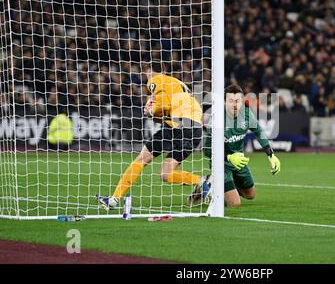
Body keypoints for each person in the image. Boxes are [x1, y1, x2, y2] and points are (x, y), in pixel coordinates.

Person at [96, 61, 209, 210]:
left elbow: (162, 105)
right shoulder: (178, 83)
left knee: (141, 160)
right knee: (165, 174)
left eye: (146, 73)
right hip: (193, 130)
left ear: (149, 72)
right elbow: (168, 109)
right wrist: (153, 114)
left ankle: (114, 199)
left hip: (177, 126)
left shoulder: (155, 80)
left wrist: (150, 109)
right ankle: (203, 181)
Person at [189, 84, 281, 207]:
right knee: (234, 203)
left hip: (239, 161)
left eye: (237, 101)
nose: (234, 105)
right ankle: (209, 183)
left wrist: (271, 155)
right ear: (224, 102)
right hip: (221, 163)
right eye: (231, 101)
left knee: (250, 195)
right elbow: (206, 150)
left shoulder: (247, 114)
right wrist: (228, 157)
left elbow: (258, 132)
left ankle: (213, 184)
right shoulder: (216, 119)